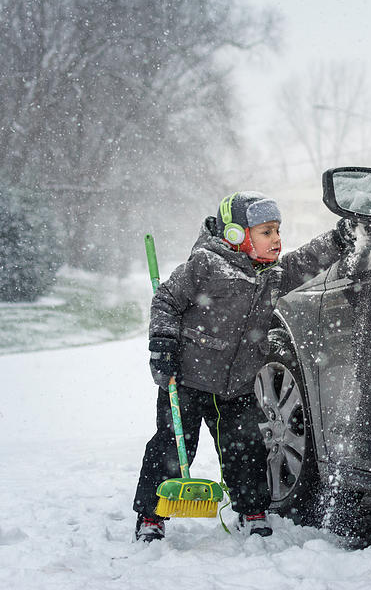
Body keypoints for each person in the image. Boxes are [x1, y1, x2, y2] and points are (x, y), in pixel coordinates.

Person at [133, 191, 357, 542]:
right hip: (188, 380)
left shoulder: (271, 274)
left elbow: (305, 261)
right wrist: (162, 345)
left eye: (278, 231)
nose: (277, 240)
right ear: (236, 234)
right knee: (172, 448)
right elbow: (166, 301)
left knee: (247, 447)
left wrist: (339, 238)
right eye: (266, 231)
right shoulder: (206, 264)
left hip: (236, 385)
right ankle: (151, 514)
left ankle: (252, 510)